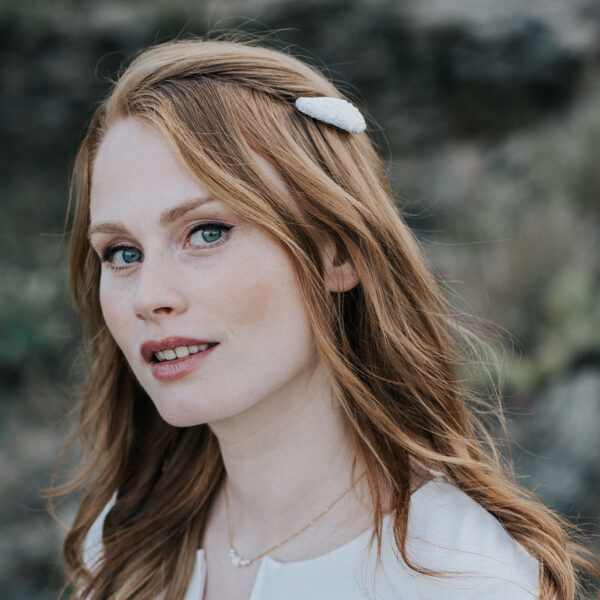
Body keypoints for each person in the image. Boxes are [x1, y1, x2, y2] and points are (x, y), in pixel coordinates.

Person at [45, 36, 599, 600]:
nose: (148, 296)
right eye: (122, 253)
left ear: (337, 253)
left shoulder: (464, 579)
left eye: (206, 232)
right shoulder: (122, 542)